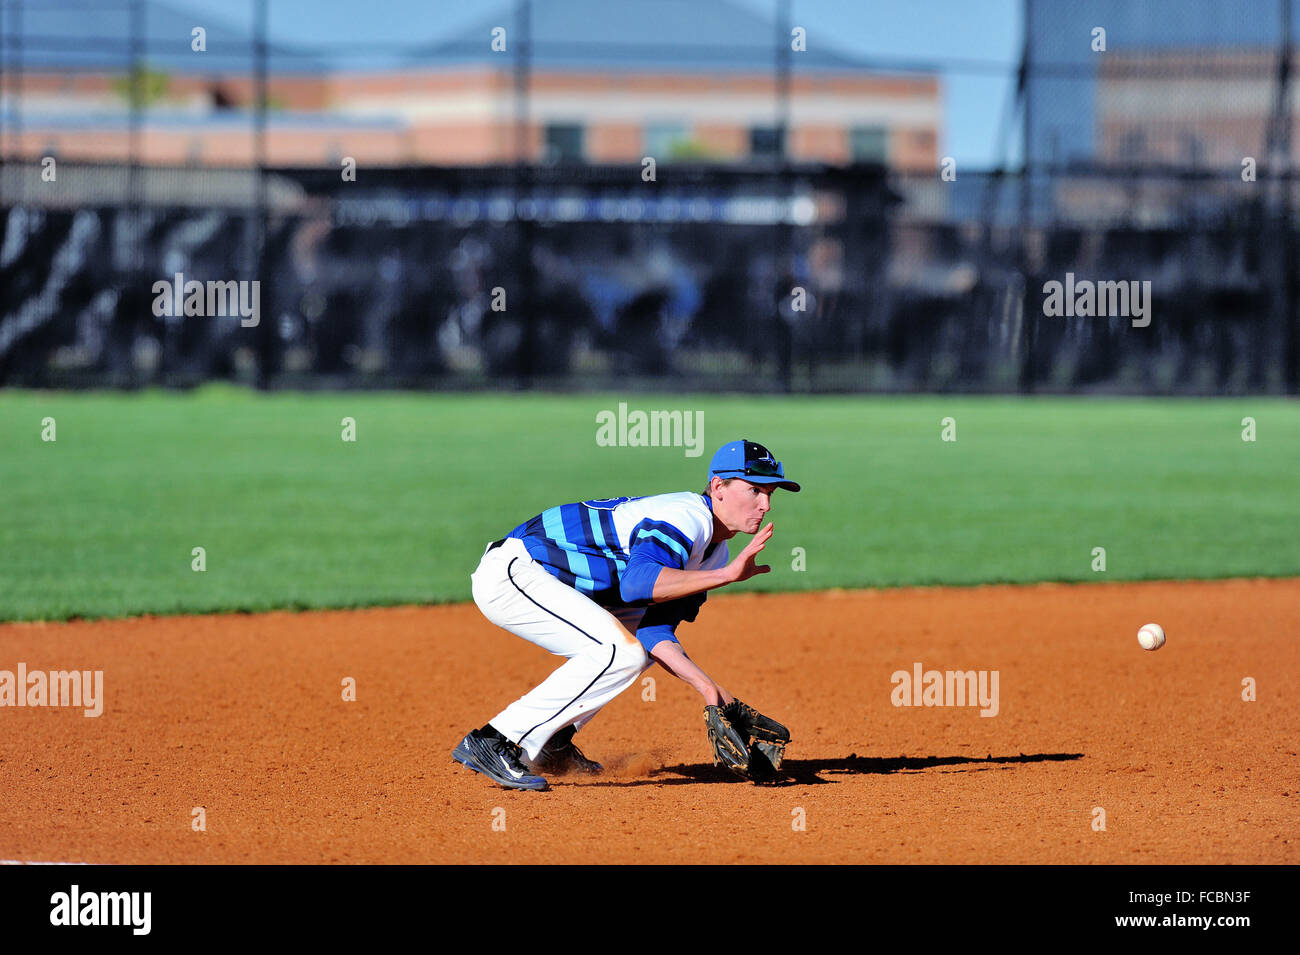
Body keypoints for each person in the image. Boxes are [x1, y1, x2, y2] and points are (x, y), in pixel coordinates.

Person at [453, 438, 800, 790]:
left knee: (634, 647)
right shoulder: (686, 517)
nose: (766, 504)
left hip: (545, 579)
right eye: (755, 489)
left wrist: (710, 690)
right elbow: (637, 584)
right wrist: (725, 577)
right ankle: (494, 739)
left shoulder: (716, 554)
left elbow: (654, 630)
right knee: (619, 652)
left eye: (771, 493)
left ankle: (552, 743)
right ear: (718, 488)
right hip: (515, 572)